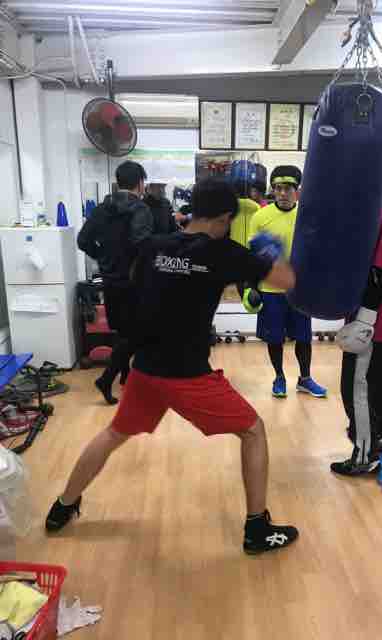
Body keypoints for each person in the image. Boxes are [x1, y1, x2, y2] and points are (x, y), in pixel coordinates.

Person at [46, 178, 299, 556]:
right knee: (253, 430)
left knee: (114, 433)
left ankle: (63, 505)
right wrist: (269, 253)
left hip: (146, 369)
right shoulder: (223, 252)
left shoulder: (154, 246)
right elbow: (287, 280)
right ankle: (257, 528)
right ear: (224, 218)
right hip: (187, 375)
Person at [331, 171, 382, 477]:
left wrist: (363, 322)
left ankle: (365, 455)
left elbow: (379, 276)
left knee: (355, 386)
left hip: (373, 320)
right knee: (377, 379)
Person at [248, 166, 327, 399]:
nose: (282, 193)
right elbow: (252, 255)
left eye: (288, 189)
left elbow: (316, 251)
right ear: (273, 190)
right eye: (278, 188)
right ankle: (279, 377)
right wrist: (250, 286)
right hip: (270, 288)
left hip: (299, 289)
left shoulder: (306, 216)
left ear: (297, 191)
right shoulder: (260, 217)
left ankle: (305, 379)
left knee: (304, 337)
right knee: (274, 338)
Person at [77, 161, 153, 405]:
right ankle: (107, 378)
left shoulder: (102, 209)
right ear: (140, 183)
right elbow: (142, 244)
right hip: (134, 282)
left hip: (110, 280)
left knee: (123, 331)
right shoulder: (140, 209)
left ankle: (126, 377)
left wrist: (102, 256)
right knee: (137, 335)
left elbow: (82, 240)